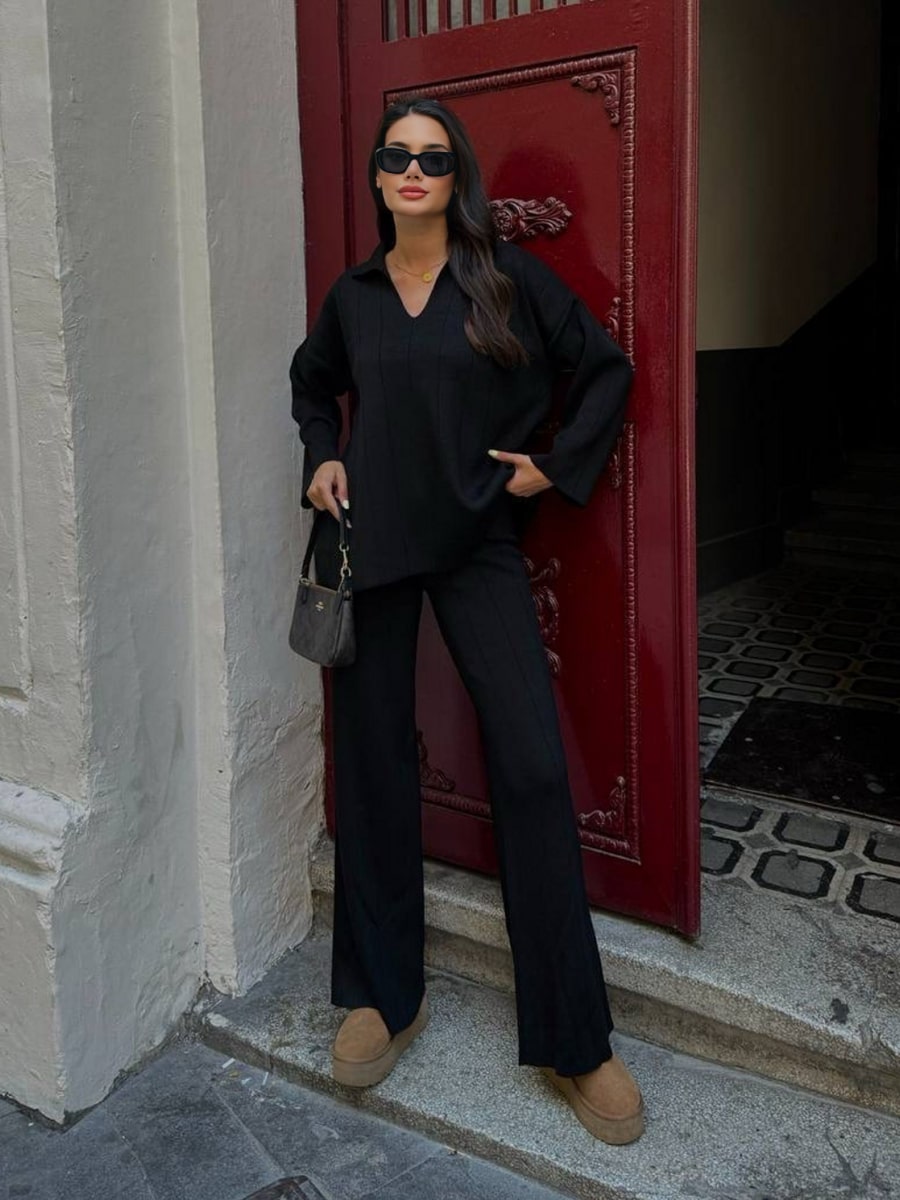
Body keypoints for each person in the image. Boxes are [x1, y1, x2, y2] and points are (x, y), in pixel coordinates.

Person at [289, 97, 643, 1145]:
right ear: (377, 174)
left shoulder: (505, 279)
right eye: (396, 155)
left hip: (479, 539)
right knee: (373, 761)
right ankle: (380, 995)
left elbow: (606, 368)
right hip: (371, 543)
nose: (413, 170)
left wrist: (552, 468)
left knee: (531, 764)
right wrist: (322, 456)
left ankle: (576, 1041)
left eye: (433, 158)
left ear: (456, 177)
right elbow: (311, 388)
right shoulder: (353, 298)